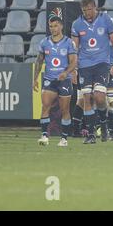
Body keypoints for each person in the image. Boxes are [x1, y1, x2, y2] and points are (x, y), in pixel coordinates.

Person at [71, 0, 113, 144]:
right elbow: (74, 48)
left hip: (102, 63)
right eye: (84, 10)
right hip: (84, 65)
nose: (87, 12)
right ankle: (91, 134)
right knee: (87, 98)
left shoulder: (106, 19)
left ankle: (104, 124)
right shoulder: (77, 24)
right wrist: (73, 69)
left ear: (95, 7)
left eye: (89, 9)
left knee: (99, 97)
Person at [33, 14, 77, 147]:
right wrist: (35, 79)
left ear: (61, 26)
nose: (53, 28)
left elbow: (73, 62)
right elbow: (39, 61)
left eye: (56, 26)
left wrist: (66, 73)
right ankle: (44, 136)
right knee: (45, 106)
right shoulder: (44, 42)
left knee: (65, 110)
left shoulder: (69, 42)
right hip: (49, 79)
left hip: (64, 80)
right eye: (51, 26)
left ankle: (64, 139)